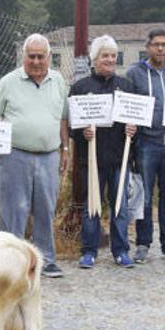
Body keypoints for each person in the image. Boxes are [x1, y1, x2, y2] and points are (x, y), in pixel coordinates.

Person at [0, 33, 71, 278]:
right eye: (30, 56)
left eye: (40, 57)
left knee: (46, 208)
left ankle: (45, 259)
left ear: (49, 57)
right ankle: (11, 262)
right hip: (15, 155)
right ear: (24, 57)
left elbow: (62, 118)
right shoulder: (8, 82)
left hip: (49, 155)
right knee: (14, 210)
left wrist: (65, 149)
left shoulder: (58, 82)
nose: (35, 61)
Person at [69, 35, 138, 269]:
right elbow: (72, 126)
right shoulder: (80, 88)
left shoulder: (126, 87)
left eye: (112, 55)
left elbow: (136, 118)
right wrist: (83, 134)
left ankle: (121, 251)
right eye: (104, 55)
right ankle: (89, 250)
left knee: (120, 206)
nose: (110, 59)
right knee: (92, 206)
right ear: (94, 59)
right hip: (92, 159)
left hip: (120, 157)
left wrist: (133, 128)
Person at [125, 28, 165, 264]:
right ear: (147, 47)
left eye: (164, 44)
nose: (160, 49)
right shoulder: (135, 73)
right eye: (156, 45)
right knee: (144, 196)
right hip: (146, 143)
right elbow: (127, 106)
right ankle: (143, 243)